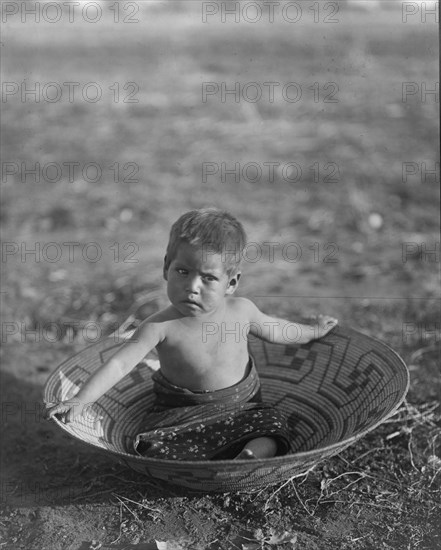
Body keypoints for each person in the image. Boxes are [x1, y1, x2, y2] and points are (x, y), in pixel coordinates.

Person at [47, 208, 337, 460]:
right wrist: (82, 399)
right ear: (165, 268)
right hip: (181, 418)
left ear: (231, 283)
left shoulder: (242, 311)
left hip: (243, 411)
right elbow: (119, 364)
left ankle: (247, 457)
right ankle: (209, 458)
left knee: (271, 423)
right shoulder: (159, 326)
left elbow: (278, 330)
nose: (193, 286)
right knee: (152, 442)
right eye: (183, 272)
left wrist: (311, 331)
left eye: (209, 278)